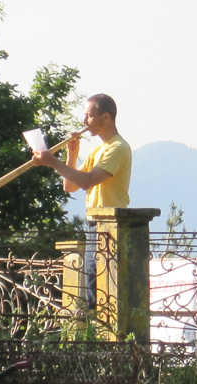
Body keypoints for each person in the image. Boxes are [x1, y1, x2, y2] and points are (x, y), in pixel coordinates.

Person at [32, 93, 132, 308]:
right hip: (94, 224)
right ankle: (96, 325)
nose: (84, 121)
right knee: (92, 286)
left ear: (106, 117)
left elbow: (87, 181)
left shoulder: (117, 148)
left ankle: (105, 328)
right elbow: (69, 186)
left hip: (110, 225)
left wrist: (52, 162)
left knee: (105, 288)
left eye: (89, 116)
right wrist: (72, 154)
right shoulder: (97, 150)